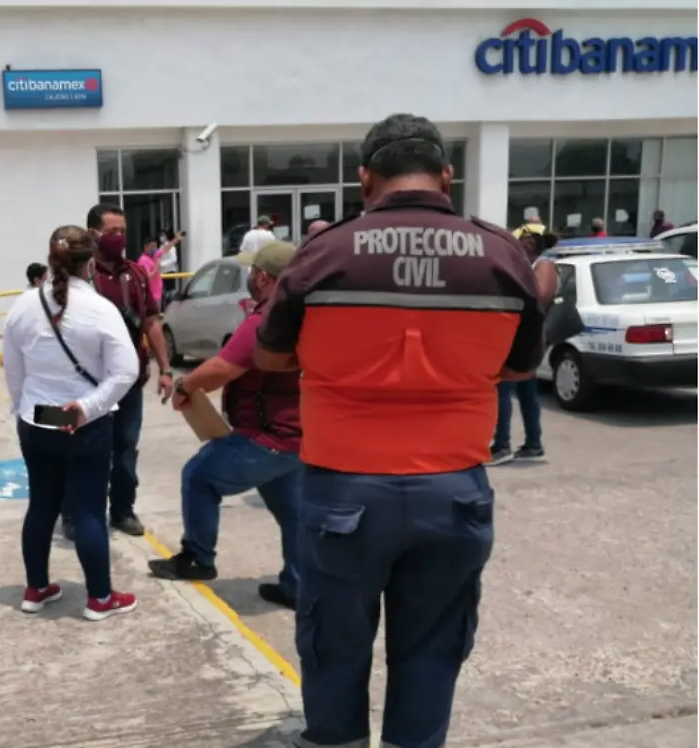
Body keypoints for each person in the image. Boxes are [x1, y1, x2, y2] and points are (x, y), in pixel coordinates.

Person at [254, 113, 545, 748]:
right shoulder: (501, 254)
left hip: (343, 491)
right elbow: (521, 367)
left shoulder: (325, 252)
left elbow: (270, 356)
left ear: (365, 179)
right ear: (447, 175)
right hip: (453, 491)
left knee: (333, 641)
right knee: (435, 644)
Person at [149, 241, 304, 608]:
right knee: (296, 516)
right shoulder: (304, 314)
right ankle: (298, 586)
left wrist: (186, 385)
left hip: (265, 436)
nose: (249, 277)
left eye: (252, 271)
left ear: (263, 278)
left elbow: (222, 367)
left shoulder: (266, 321)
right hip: (295, 436)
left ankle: (198, 558)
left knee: (200, 476)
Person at [1, 225, 140, 620]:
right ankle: (100, 599)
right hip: (83, 422)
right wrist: (87, 407)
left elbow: (13, 369)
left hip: (37, 418)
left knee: (41, 506)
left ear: (50, 258)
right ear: (90, 263)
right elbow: (126, 371)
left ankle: (36, 589)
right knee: (88, 511)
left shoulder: (23, 305)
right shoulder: (100, 309)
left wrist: (24, 407)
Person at [62, 203, 174, 540]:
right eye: (113, 231)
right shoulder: (78, 278)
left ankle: (123, 509)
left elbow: (151, 323)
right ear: (93, 234)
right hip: (85, 385)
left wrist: (166, 368)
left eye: (123, 231)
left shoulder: (136, 274)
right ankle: (75, 513)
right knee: (79, 450)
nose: (120, 237)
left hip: (128, 385)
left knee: (125, 450)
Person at [489, 223, 559, 465]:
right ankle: (533, 444)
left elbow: (539, 299)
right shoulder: (535, 265)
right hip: (525, 337)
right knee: (526, 393)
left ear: (529, 244)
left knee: (503, 390)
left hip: (523, 339)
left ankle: (502, 445)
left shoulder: (543, 265)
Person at [137, 231, 185, 307]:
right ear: (145, 247)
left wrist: (176, 239)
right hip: (151, 296)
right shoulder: (143, 260)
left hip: (157, 294)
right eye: (151, 246)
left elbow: (166, 248)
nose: (154, 249)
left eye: (155, 246)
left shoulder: (154, 256)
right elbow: (147, 277)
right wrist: (156, 267)